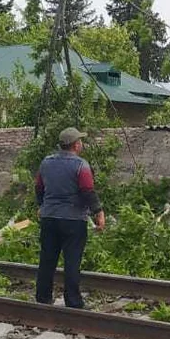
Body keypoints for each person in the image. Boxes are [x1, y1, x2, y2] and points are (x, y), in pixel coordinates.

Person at [34, 127, 106, 309]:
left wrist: (41, 206)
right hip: (73, 220)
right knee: (72, 261)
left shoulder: (46, 162)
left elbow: (39, 187)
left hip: (49, 217)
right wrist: (99, 212)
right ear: (75, 145)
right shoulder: (81, 165)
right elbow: (87, 191)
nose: (81, 144)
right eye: (80, 141)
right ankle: (73, 302)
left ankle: (43, 298)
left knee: (47, 258)